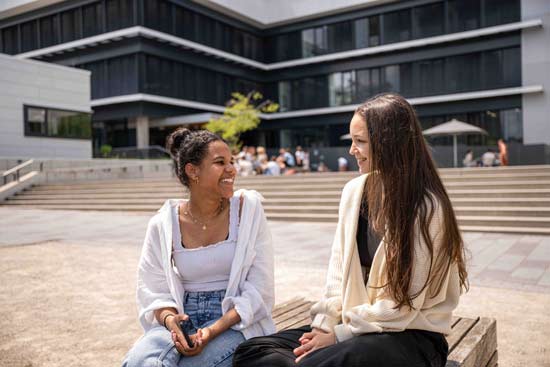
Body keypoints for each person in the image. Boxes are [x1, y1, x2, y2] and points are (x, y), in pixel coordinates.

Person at [233, 93, 468, 367]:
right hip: (354, 326)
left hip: (409, 335)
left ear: (389, 145)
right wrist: (324, 325)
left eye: (360, 142)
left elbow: (401, 307)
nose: (351, 151)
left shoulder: (426, 208)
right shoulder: (353, 192)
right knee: (253, 350)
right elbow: (336, 272)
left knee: (315, 362)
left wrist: (338, 336)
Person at [123, 128, 275, 367]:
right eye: (220, 162)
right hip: (183, 314)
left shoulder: (248, 210)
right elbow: (153, 287)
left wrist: (212, 330)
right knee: (140, 361)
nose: (231, 170)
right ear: (192, 171)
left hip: (235, 320)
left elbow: (260, 287)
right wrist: (171, 320)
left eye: (232, 162)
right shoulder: (163, 224)